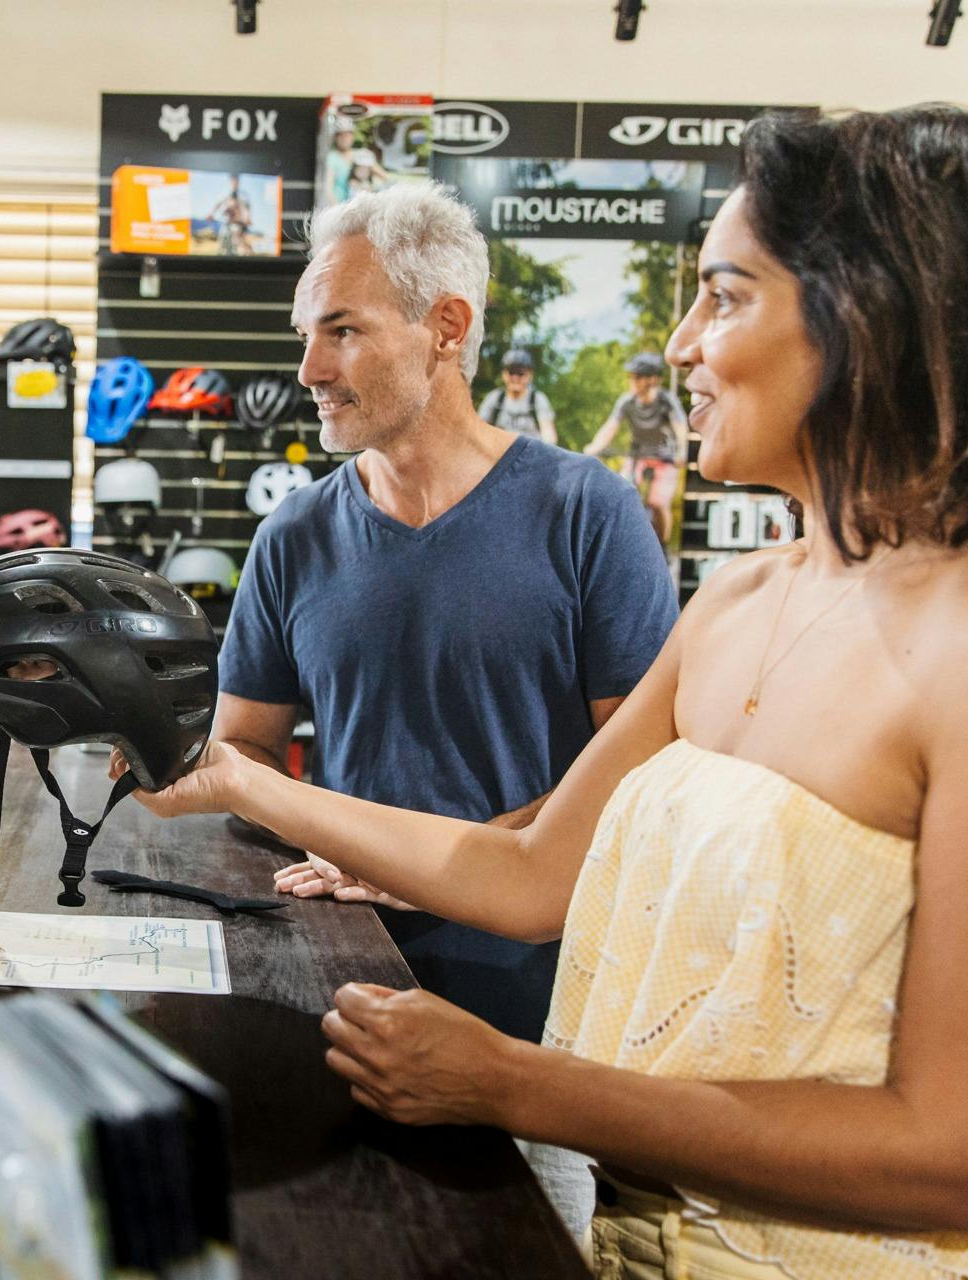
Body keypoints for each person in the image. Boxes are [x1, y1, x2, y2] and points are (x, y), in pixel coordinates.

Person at [129, 106, 968, 1278]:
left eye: (725, 295)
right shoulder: (738, 604)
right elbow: (531, 875)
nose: (678, 342)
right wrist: (232, 775)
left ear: (876, 310)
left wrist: (514, 1080)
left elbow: (962, 1153)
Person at [214, 180, 677, 1045]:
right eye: (306, 336)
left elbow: (641, 781)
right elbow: (244, 745)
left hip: (540, 1013)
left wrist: (438, 866)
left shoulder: (589, 513)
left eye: (342, 331)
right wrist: (323, 839)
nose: (310, 369)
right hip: (334, 986)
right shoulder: (294, 534)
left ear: (448, 328)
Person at [587, 351, 689, 543]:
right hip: (638, 455)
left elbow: (680, 427)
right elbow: (610, 426)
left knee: (658, 502)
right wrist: (594, 447)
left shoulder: (666, 401)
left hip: (665, 457)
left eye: (636, 377)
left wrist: (682, 451)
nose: (631, 381)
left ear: (651, 380)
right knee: (622, 492)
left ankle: (663, 547)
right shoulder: (627, 401)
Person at [477, 348, 558, 445]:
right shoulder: (494, 398)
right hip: (500, 454)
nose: (515, 378)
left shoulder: (537, 399)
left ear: (530, 375)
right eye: (511, 372)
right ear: (504, 374)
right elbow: (479, 431)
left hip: (531, 455)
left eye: (520, 373)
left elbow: (548, 434)